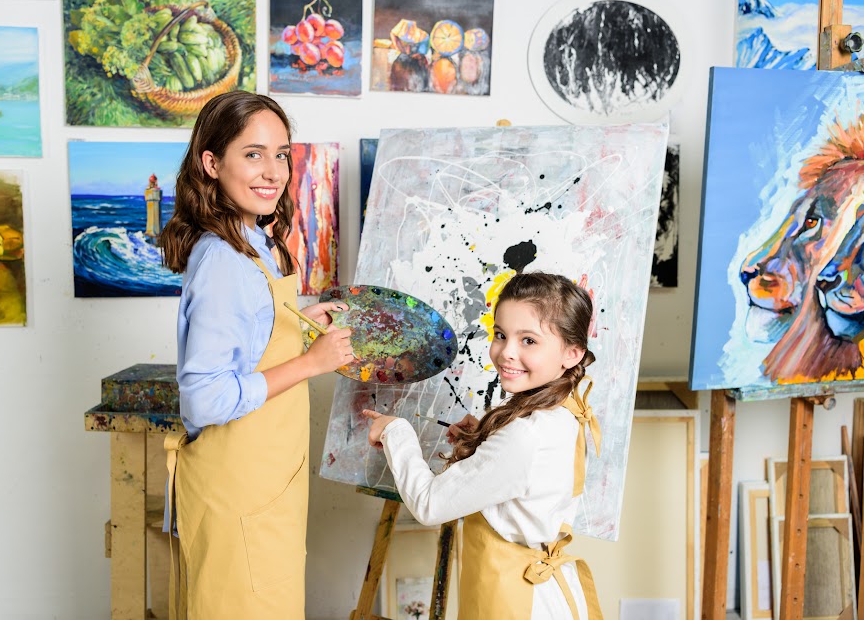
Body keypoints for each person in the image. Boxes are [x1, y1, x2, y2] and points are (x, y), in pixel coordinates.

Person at [159, 91, 354, 619]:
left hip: (265, 489)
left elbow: (249, 347)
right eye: (253, 154)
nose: (273, 172)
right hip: (238, 493)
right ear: (211, 163)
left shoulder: (252, 242)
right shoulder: (224, 259)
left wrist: (298, 326)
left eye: (281, 154)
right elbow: (205, 398)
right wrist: (311, 363)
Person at [364, 272, 604, 620]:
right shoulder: (563, 409)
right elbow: (526, 476)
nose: (506, 353)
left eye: (529, 341)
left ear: (572, 353)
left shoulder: (524, 436)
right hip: (536, 591)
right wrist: (487, 436)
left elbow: (430, 504)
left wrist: (395, 431)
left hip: (519, 601)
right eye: (501, 335)